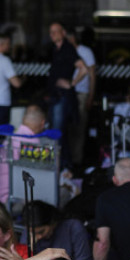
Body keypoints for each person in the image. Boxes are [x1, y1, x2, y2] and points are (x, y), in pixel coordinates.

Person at [25, 199, 100, 260]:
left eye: (41, 231)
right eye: (33, 233)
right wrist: (30, 250)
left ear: (52, 222)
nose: (38, 237)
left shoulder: (73, 227)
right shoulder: (28, 234)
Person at [45, 22, 89, 167]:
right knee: (55, 130)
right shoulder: (56, 49)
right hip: (56, 94)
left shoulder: (67, 49)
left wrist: (72, 83)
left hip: (62, 96)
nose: (52, 34)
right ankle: (61, 164)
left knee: (58, 132)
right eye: (51, 32)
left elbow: (83, 68)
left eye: (55, 31)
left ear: (63, 33)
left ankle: (63, 165)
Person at [68, 27, 97, 166]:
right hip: (69, 93)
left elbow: (92, 75)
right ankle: (69, 159)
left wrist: (91, 95)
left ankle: (77, 161)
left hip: (82, 93)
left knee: (79, 126)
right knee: (68, 127)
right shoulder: (65, 51)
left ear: (72, 38)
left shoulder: (85, 51)